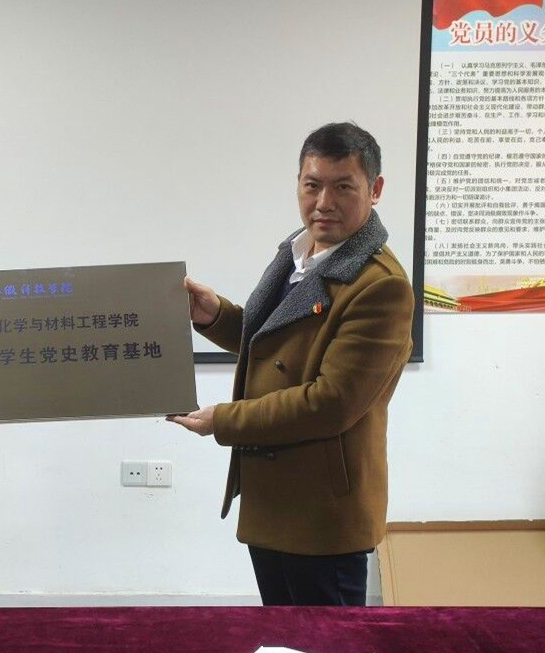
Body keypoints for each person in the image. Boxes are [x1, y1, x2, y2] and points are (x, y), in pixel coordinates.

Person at [168, 122, 414, 606]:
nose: (323, 202)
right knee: (284, 634)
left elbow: (331, 403)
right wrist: (216, 316)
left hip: (323, 515)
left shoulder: (380, 285)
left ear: (375, 189)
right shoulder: (297, 252)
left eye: (343, 187)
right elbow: (280, 346)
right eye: (312, 184)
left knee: (325, 640)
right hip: (273, 500)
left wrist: (223, 420)